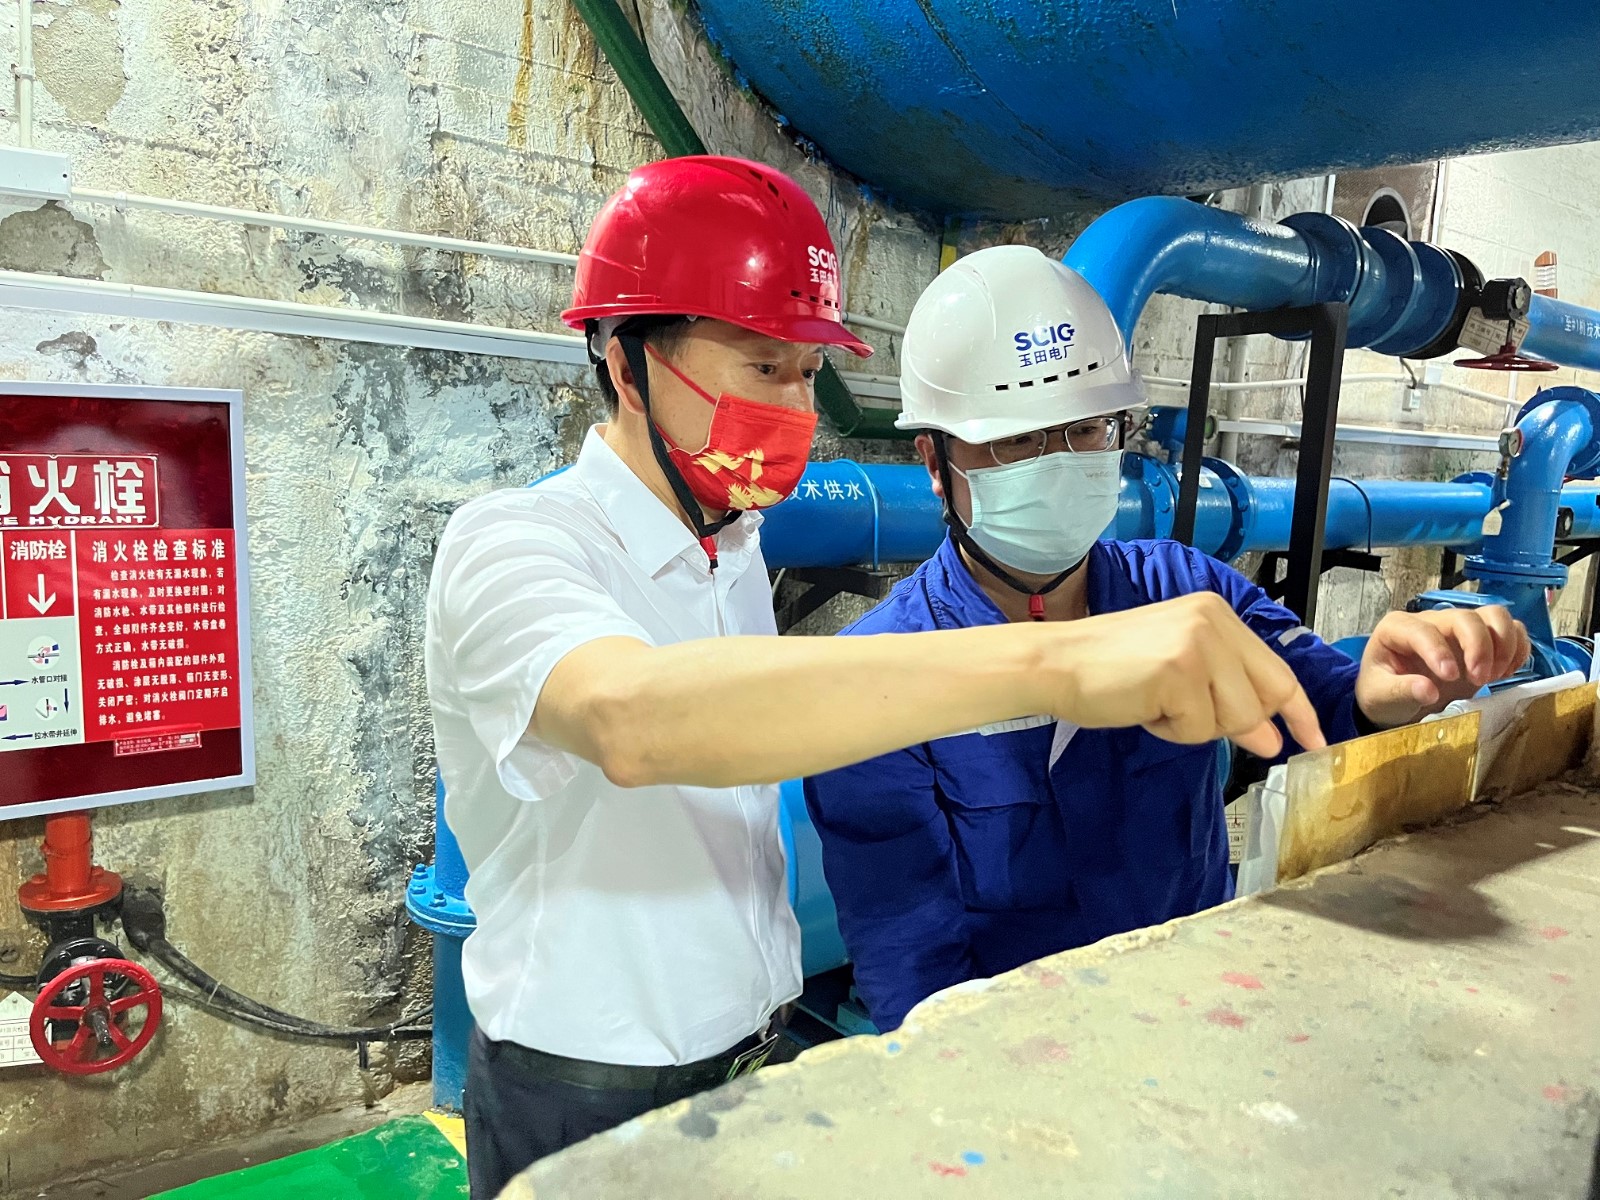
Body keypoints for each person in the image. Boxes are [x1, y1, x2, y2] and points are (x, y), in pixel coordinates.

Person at [426, 158, 1344, 1197]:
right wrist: (1051, 661)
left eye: (805, 370)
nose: (793, 403)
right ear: (625, 362)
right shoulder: (514, 544)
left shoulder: (733, 553)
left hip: (748, 1062)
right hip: (583, 1095)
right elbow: (628, 720)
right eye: (761, 365)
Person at [802, 245, 1532, 1034]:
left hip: (1200, 1007)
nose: (1061, 463)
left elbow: (1314, 712)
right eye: (1017, 440)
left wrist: (1378, 693)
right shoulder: (883, 679)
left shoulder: (1184, 592)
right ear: (934, 462)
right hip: (1027, 1054)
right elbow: (914, 979)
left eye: (1085, 429)